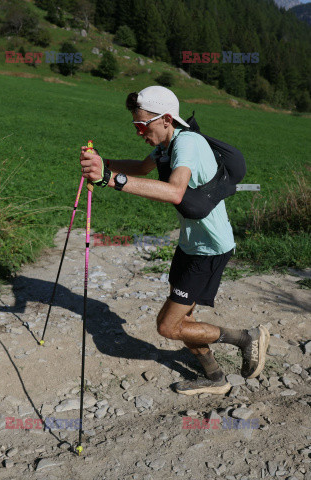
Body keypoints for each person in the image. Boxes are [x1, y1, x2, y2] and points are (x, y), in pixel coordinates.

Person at [79, 85, 270, 395]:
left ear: (166, 119)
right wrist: (102, 162)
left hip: (209, 250)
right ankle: (213, 376)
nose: (139, 131)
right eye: (135, 126)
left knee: (168, 326)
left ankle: (246, 338)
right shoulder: (166, 146)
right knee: (185, 317)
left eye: (142, 125)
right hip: (190, 245)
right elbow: (142, 168)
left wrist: (109, 179)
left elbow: (175, 192)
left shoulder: (187, 144)